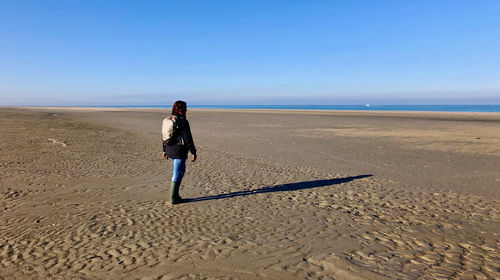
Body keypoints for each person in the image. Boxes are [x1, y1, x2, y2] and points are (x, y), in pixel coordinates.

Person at [162, 100, 197, 204]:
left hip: (169, 150)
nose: (187, 109)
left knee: (177, 172)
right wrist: (193, 151)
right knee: (178, 173)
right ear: (183, 109)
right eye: (185, 107)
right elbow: (187, 138)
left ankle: (176, 195)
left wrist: (164, 150)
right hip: (179, 151)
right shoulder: (182, 120)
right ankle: (174, 198)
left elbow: (163, 136)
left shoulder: (168, 119)